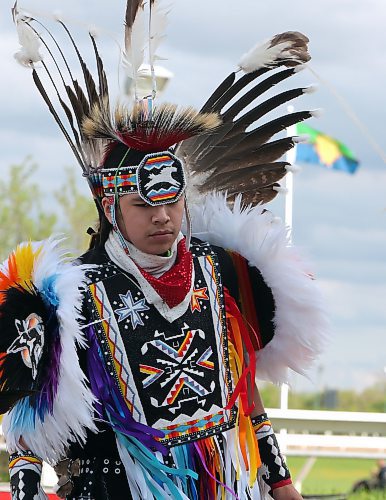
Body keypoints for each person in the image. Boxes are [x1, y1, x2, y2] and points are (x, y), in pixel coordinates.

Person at [0, 2, 327, 499]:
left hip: (224, 483)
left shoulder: (221, 271)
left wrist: (280, 481)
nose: (162, 216)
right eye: (143, 205)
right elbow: (28, 426)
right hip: (115, 486)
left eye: (172, 201)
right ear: (111, 207)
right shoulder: (68, 295)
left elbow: (245, 390)